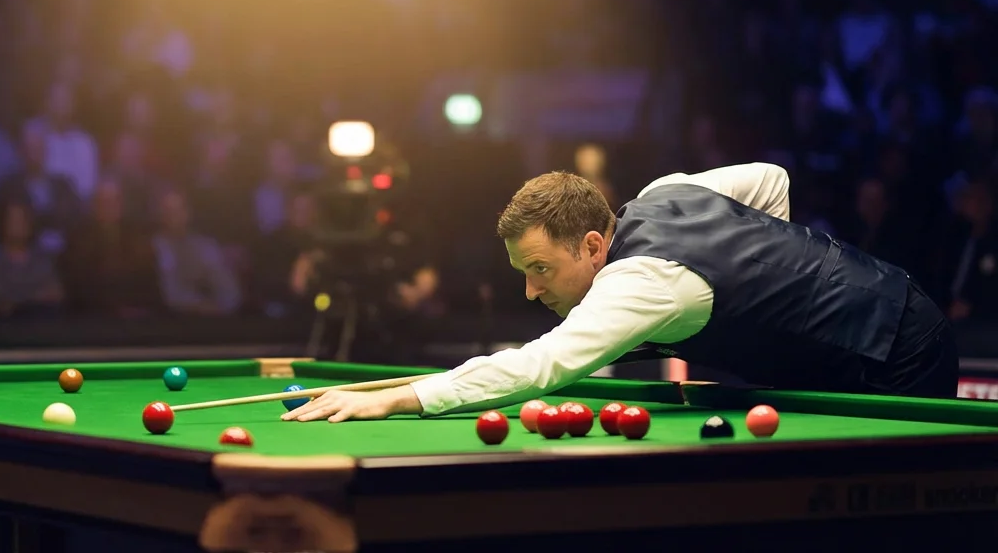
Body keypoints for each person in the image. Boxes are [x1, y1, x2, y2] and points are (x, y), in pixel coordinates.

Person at [284, 163, 958, 423]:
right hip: (868, 327)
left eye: (541, 269)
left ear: (593, 246)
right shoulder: (664, 193)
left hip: (894, 348)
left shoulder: (643, 283)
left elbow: (538, 367)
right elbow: (771, 180)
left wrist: (397, 396)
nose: (529, 289)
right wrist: (772, 281)